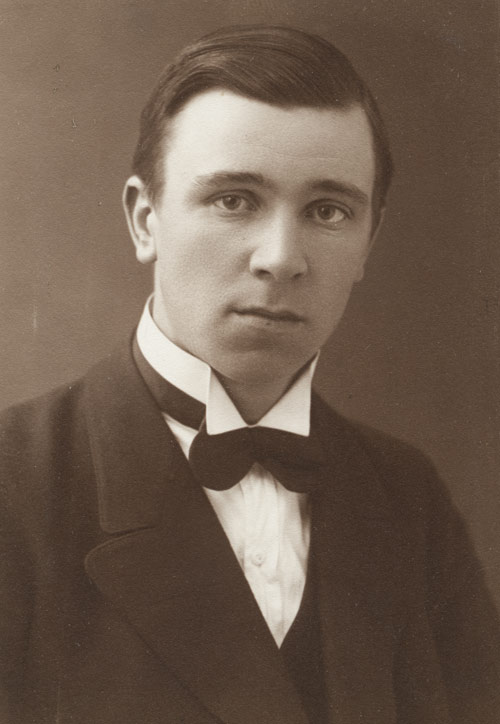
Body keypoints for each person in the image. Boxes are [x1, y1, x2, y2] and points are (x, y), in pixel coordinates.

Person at [0, 24, 498, 724]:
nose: (281, 258)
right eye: (234, 200)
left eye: (328, 211)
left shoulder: (408, 497)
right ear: (145, 221)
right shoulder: (14, 482)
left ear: (369, 242)